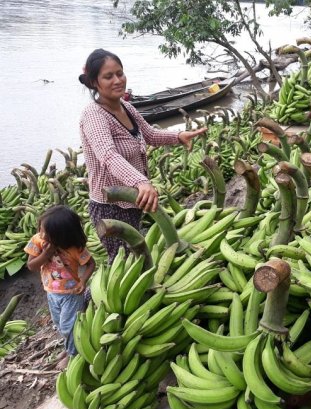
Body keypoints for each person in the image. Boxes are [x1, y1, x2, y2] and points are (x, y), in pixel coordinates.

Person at [78, 48, 207, 262]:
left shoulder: (126, 107)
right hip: (110, 206)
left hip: (133, 199)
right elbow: (108, 156)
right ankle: (90, 296)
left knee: (136, 256)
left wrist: (179, 136)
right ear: (94, 82)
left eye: (120, 73)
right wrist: (141, 181)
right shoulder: (94, 115)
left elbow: (150, 134)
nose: (117, 80)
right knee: (122, 262)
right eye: (108, 76)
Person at [24, 206, 95, 369]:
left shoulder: (74, 248)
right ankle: (69, 346)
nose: (41, 234)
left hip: (71, 294)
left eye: (45, 232)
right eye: (40, 229)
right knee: (59, 323)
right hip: (51, 292)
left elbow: (91, 264)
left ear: (60, 235)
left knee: (69, 325)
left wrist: (83, 281)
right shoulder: (38, 241)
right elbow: (31, 266)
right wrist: (46, 255)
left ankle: (73, 356)